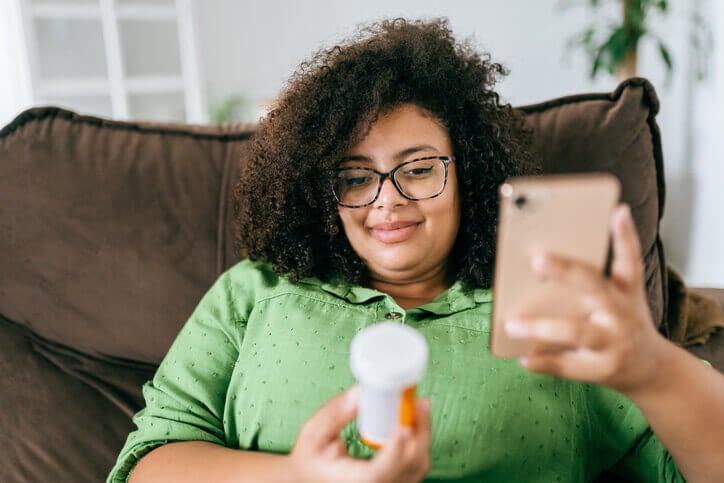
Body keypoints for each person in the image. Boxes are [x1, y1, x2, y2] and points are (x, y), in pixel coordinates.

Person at [108, 18, 723, 482]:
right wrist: (299, 474)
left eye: (419, 168)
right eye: (354, 177)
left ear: (469, 177)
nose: (387, 201)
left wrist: (653, 367)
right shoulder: (254, 292)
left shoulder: (545, 311)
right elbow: (147, 463)